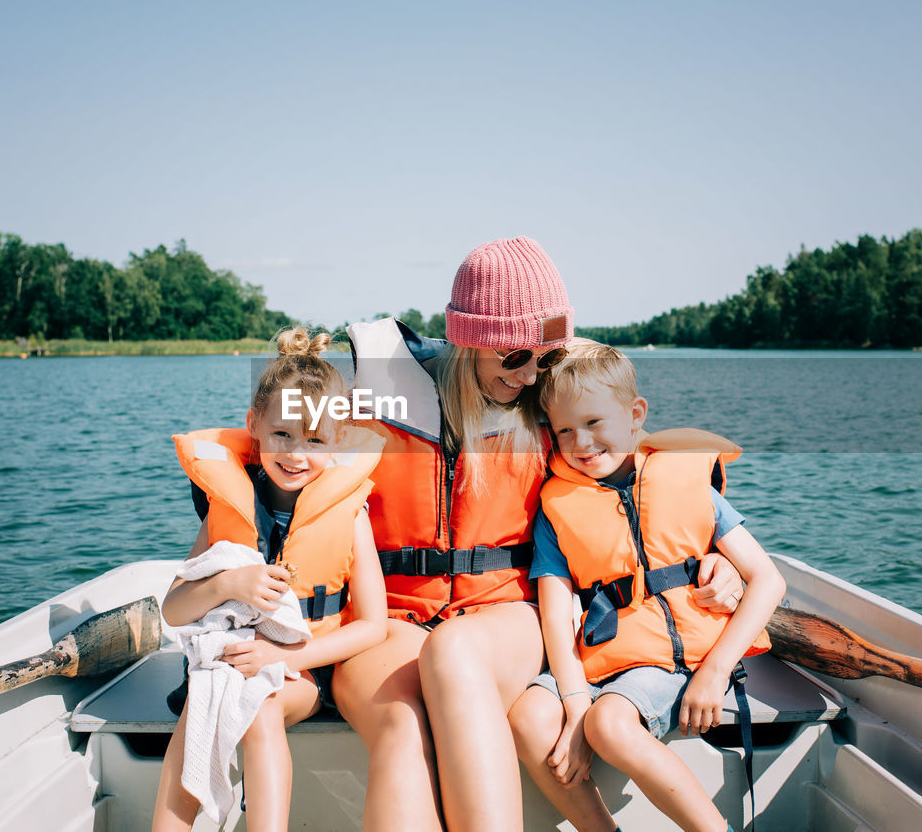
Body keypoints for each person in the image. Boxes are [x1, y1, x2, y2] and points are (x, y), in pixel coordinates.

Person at [337, 237, 747, 831]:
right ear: (467, 340)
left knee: (454, 653)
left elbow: (634, 471)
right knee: (401, 722)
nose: (531, 375)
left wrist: (720, 558)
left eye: (543, 358)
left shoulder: (550, 392)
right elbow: (275, 467)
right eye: (513, 358)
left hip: (507, 615)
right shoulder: (364, 387)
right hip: (389, 618)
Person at [508, 340, 787, 832]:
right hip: (600, 658)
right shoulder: (558, 505)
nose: (581, 443)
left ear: (635, 414)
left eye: (594, 423)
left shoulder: (683, 480)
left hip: (675, 660)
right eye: (564, 430)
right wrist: (573, 705)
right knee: (529, 716)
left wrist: (715, 671)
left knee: (609, 723)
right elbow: (555, 614)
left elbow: (768, 579)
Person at [151, 328, 388, 832]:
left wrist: (281, 657)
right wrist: (228, 584)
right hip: (227, 659)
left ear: (338, 440)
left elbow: (373, 626)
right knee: (202, 705)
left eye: (315, 439)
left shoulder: (350, 511)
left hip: (305, 669)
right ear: (254, 425)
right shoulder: (228, 507)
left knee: (257, 707)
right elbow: (173, 611)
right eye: (282, 434)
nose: (296, 453)